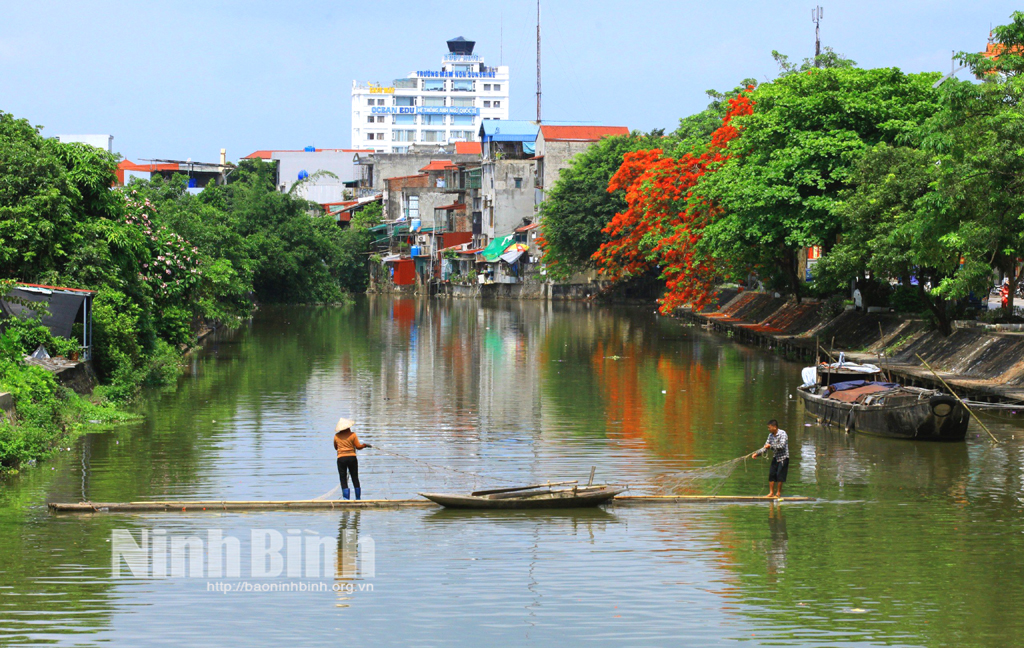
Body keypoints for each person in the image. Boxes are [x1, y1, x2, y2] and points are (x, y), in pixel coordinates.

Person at [334, 417, 372, 500]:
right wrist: (364, 445)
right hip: (352, 458)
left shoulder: (336, 436)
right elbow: (358, 447)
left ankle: (346, 499)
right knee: (355, 477)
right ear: (348, 427)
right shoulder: (353, 435)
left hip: (341, 459)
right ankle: (358, 498)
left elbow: (336, 447)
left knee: (343, 478)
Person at [751, 419, 789, 499]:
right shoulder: (770, 435)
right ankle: (771, 493)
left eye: (769, 427)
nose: (768, 429)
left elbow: (781, 446)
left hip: (783, 458)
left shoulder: (783, 434)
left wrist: (771, 446)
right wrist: (757, 454)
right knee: (771, 474)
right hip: (776, 457)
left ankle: (778, 493)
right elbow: (765, 447)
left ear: (775, 427)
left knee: (780, 475)